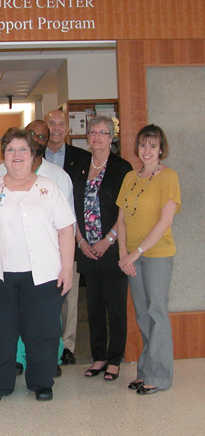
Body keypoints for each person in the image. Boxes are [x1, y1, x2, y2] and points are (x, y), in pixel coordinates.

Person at [0, 128, 75, 404]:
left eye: (23, 150)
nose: (17, 155)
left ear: (32, 155)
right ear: (3, 156)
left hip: (43, 275)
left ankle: (41, 381)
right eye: (11, 150)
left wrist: (66, 269)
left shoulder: (48, 189)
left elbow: (66, 230)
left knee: (42, 331)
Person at [0, 120, 73, 378]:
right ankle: (17, 359)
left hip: (46, 259)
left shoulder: (57, 177)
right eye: (33, 135)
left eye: (42, 136)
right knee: (15, 314)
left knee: (47, 318)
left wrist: (66, 265)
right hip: (10, 260)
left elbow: (66, 224)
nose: (37, 139)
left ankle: (50, 360)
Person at [116, 124, 180, 395]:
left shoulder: (169, 177)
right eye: (143, 145)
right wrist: (123, 254)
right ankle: (145, 372)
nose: (147, 150)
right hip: (131, 258)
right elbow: (121, 219)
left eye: (153, 145)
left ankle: (160, 376)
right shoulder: (130, 177)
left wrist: (136, 252)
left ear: (161, 149)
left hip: (155, 255)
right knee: (143, 315)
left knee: (157, 313)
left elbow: (165, 221)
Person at [71, 116, 132, 380]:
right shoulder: (79, 166)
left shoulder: (122, 167)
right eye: (93, 132)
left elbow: (125, 209)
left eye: (103, 132)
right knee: (93, 305)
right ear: (87, 137)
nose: (97, 137)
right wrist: (81, 241)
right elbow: (70, 208)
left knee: (115, 306)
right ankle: (99, 356)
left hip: (112, 247)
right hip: (86, 249)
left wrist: (109, 240)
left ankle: (115, 358)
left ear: (111, 137)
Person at [45, 109, 92, 365]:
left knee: (69, 295)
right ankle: (46, 341)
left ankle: (68, 345)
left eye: (61, 124)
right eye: (51, 123)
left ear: (68, 128)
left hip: (69, 235)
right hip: (41, 236)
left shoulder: (82, 158)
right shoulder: (33, 154)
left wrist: (80, 238)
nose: (56, 128)